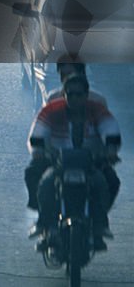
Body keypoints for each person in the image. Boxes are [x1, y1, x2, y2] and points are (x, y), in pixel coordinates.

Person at [27, 74, 121, 251]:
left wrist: (110, 150)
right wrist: (38, 150)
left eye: (79, 94)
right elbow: (39, 130)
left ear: (86, 95)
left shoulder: (97, 110)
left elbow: (109, 128)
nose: (75, 99)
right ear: (64, 95)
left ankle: (99, 225)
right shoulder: (52, 110)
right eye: (70, 94)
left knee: (107, 183)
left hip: (90, 164)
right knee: (46, 185)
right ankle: (47, 225)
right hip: (59, 163)